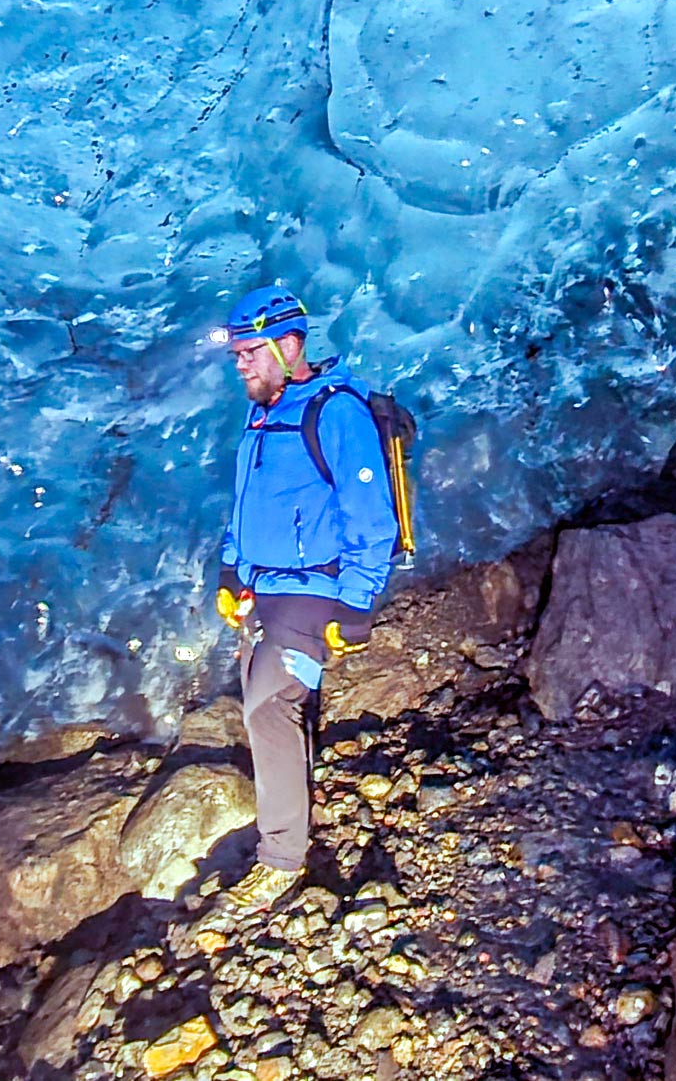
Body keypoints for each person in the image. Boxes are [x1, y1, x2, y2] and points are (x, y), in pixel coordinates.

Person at [213, 284, 399, 913]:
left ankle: (282, 859)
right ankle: (296, 804)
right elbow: (246, 501)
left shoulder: (336, 410)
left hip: (314, 590)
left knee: (268, 707)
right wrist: (231, 569)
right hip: (263, 587)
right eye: (236, 351)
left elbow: (371, 519)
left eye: (249, 351)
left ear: (289, 345)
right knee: (265, 698)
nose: (240, 362)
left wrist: (358, 605)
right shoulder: (264, 410)